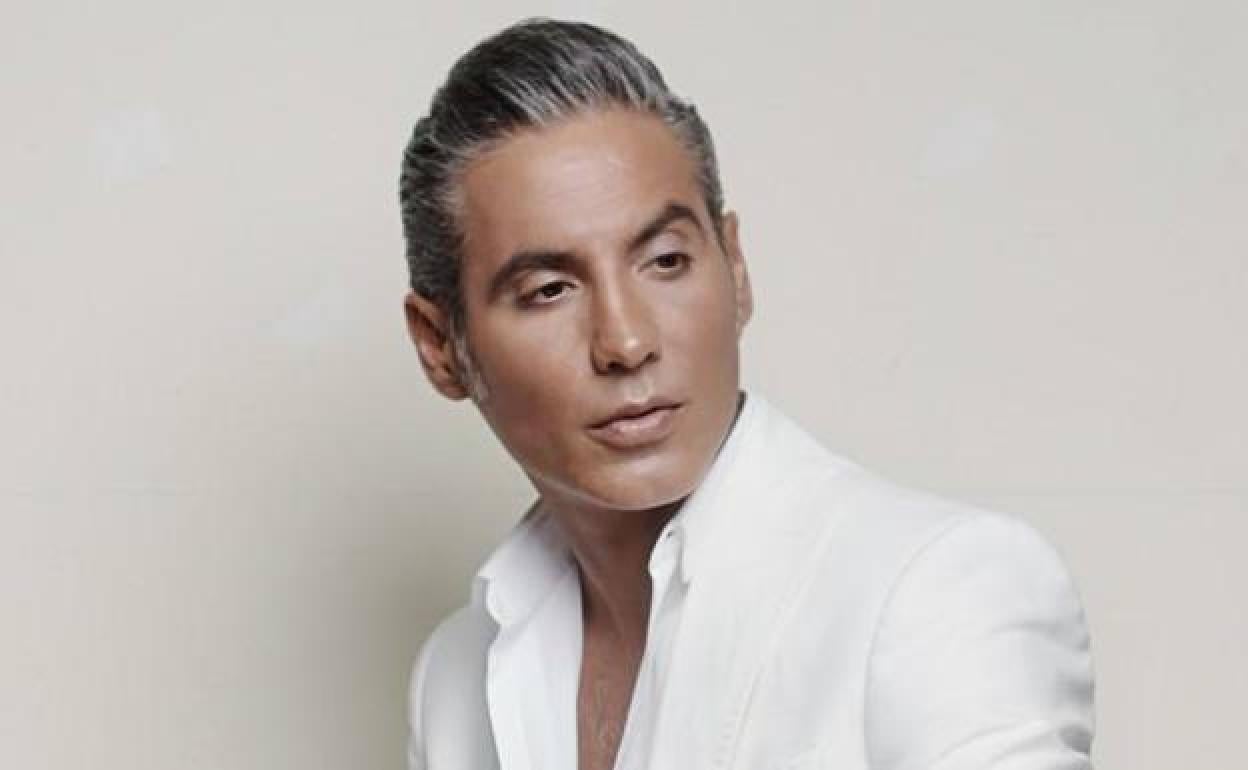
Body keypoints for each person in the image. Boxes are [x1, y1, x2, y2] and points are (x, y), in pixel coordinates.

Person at [397, 18, 1094, 770]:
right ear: (441, 346)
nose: (626, 342)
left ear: (735, 268)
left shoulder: (934, 591)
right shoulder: (456, 674)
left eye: (666, 261)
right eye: (549, 289)